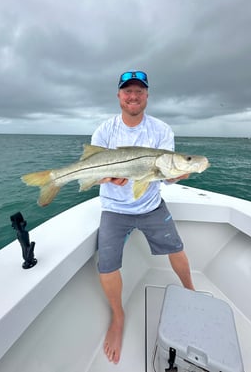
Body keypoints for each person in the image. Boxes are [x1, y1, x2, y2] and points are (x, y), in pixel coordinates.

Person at [91, 70, 194, 364]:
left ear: (147, 95)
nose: (133, 96)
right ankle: (118, 316)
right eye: (127, 91)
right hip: (114, 209)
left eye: (139, 91)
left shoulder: (162, 130)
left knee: (177, 248)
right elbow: (96, 175)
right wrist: (109, 179)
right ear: (119, 96)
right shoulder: (104, 131)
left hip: (150, 206)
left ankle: (191, 291)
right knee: (107, 265)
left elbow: (164, 176)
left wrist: (178, 174)